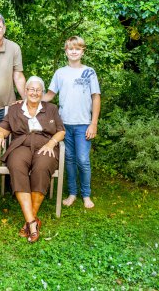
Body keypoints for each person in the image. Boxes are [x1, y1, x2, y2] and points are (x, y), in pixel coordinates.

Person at [0, 76, 65, 243]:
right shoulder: (14, 109)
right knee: (16, 165)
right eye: (31, 89)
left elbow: (61, 131)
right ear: (25, 91)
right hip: (21, 145)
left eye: (38, 90)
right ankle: (33, 222)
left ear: (42, 93)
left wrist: (51, 143)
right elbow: (3, 128)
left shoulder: (51, 108)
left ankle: (29, 223)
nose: (34, 92)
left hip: (45, 145)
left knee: (42, 168)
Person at [43, 36, 101, 209]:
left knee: (82, 160)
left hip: (84, 123)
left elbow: (96, 97)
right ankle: (72, 193)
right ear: (66, 51)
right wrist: (27, 100)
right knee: (68, 159)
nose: (74, 51)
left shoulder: (89, 72)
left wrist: (94, 123)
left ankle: (86, 194)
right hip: (64, 124)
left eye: (78, 48)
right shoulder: (60, 73)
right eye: (71, 48)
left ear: (83, 51)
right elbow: (49, 96)